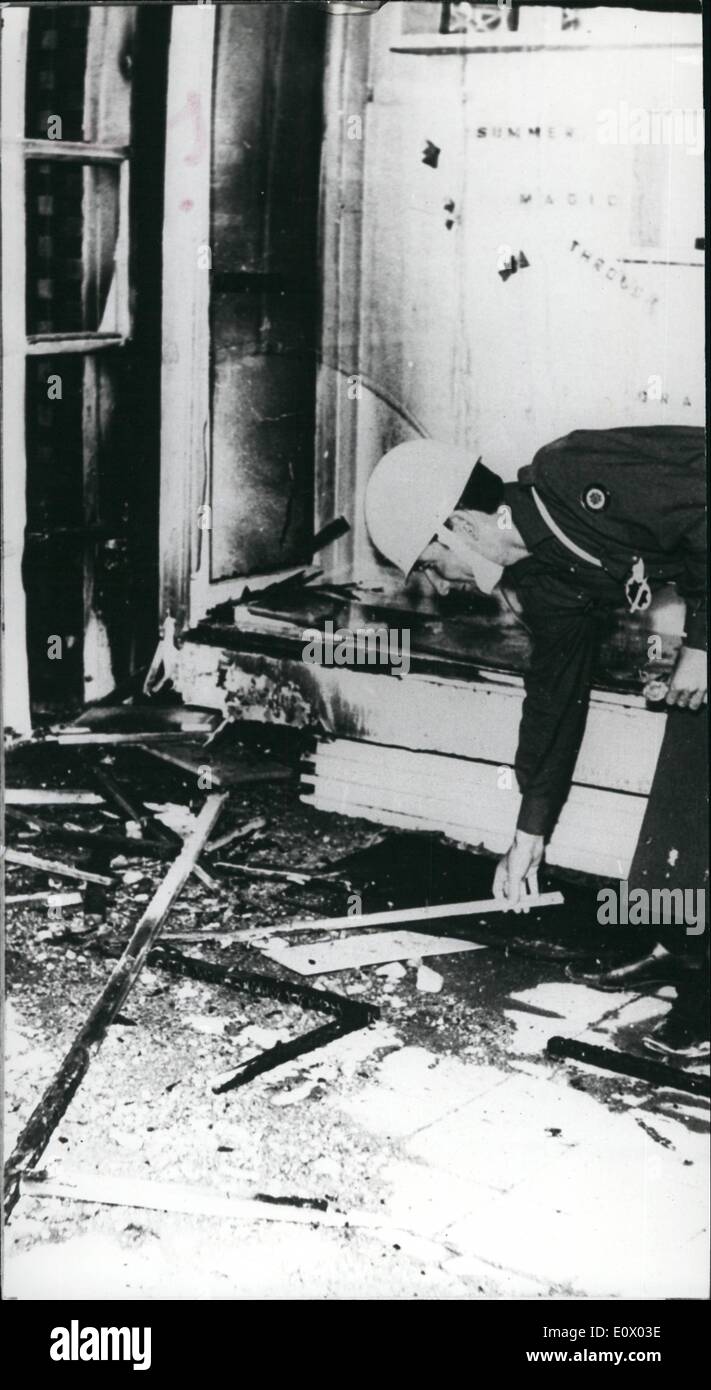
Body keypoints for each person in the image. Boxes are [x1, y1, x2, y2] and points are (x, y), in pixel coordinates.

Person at [365, 428, 707, 1035]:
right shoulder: (543, 579)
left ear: (460, 528)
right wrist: (530, 830)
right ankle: (682, 946)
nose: (442, 586)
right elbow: (555, 699)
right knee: (689, 749)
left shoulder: (573, 470)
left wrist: (704, 644)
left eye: (432, 565)